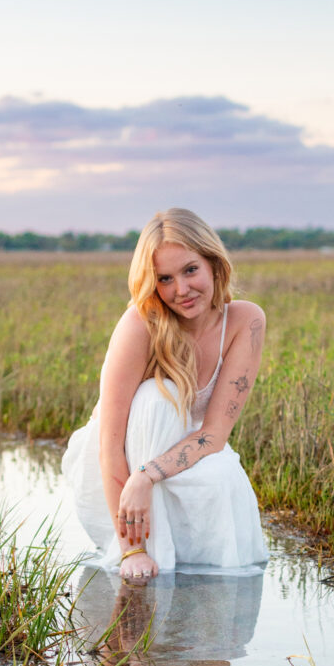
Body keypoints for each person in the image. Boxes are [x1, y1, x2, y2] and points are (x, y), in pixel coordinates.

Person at [61, 207, 268, 580]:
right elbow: (110, 445)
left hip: (178, 455)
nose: (181, 290)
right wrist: (132, 551)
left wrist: (148, 475)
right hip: (118, 466)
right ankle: (146, 552)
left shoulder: (245, 320)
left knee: (225, 481)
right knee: (158, 399)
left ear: (213, 263)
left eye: (190, 270)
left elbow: (214, 435)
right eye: (165, 279)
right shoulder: (140, 325)